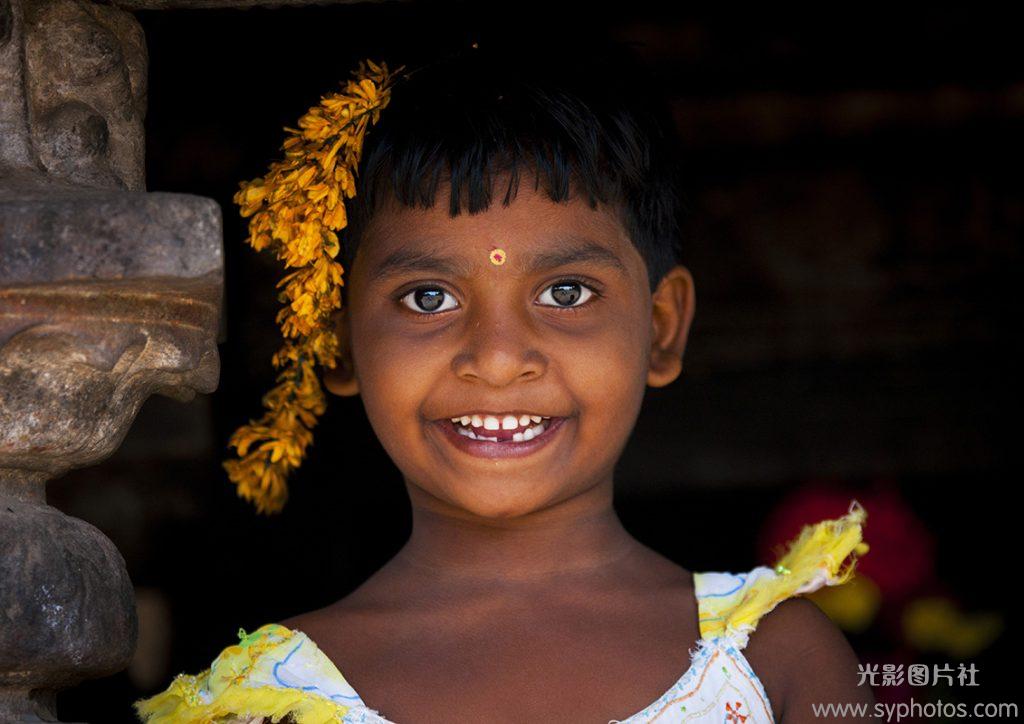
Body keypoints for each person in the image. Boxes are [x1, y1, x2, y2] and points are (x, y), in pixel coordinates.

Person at [133, 28, 874, 724]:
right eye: (428, 298)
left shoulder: (772, 660)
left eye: (566, 293)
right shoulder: (266, 698)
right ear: (338, 343)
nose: (494, 357)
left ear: (662, 328)